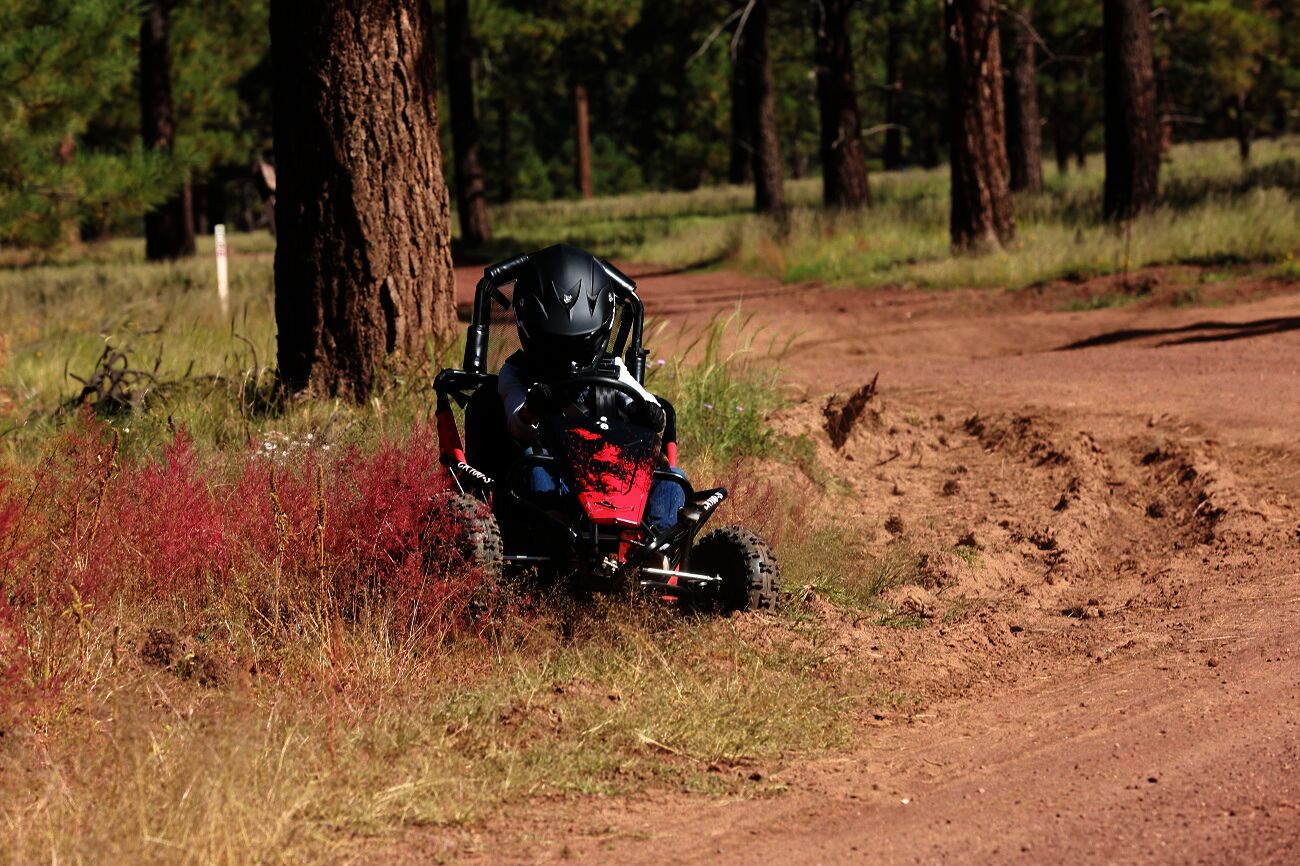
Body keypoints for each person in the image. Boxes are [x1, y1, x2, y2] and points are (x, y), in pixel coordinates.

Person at [496, 244, 686, 533]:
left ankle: (655, 545)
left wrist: (645, 412)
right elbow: (516, 425)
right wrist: (535, 406)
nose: (569, 356)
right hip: (555, 472)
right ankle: (555, 535)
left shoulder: (613, 368)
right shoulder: (517, 373)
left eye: (579, 343)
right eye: (557, 345)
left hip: (611, 472)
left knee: (672, 478)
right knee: (532, 466)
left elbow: (647, 404)